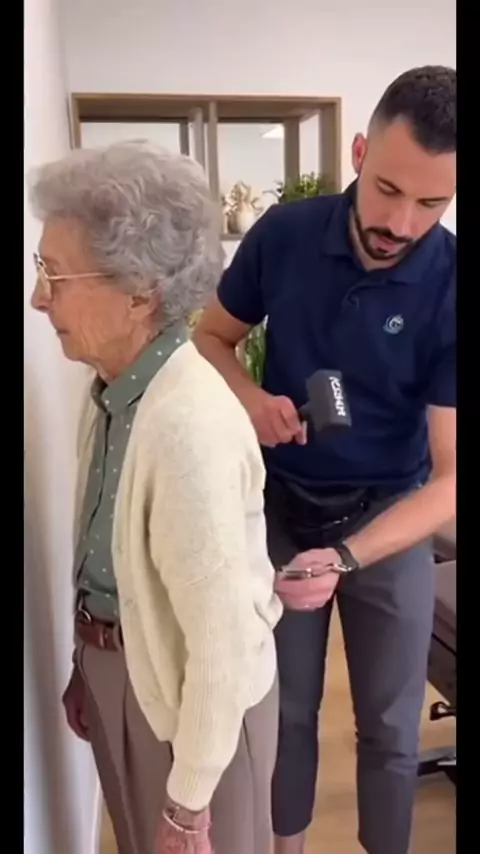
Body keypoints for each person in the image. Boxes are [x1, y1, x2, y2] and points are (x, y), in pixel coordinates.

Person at [193, 65, 456, 854]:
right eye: (388, 190)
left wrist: (345, 557)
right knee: (285, 711)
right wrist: (250, 398)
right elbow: (211, 339)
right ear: (359, 152)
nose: (401, 223)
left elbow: (452, 481)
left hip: (389, 520)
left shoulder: (453, 284)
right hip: (280, 508)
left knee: (390, 726)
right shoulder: (284, 235)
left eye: (432, 203)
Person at [29, 140, 283, 854]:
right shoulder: (114, 390)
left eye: (55, 275)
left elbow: (219, 640)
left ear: (140, 291)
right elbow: (106, 560)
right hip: (129, 673)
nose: (39, 298)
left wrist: (190, 802)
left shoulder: (188, 425)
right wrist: (88, 666)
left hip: (198, 708)